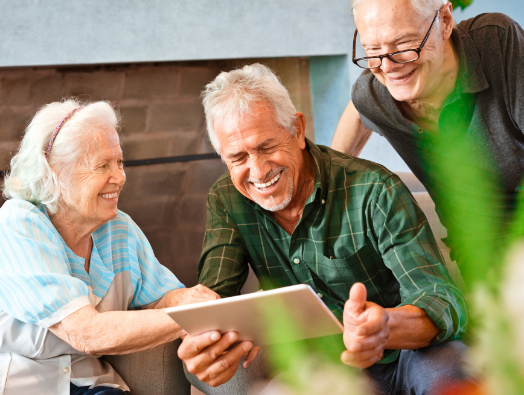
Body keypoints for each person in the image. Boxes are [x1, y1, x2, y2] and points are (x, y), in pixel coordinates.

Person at [177, 64, 469, 394]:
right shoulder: (227, 200)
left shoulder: (375, 189)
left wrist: (384, 326)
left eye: (267, 147)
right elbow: (215, 300)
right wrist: (207, 344)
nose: (258, 171)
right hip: (331, 367)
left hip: (412, 354)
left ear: (298, 130)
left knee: (452, 371)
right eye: (238, 157)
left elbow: (442, 298)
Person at [0, 100, 219, 395]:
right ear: (55, 172)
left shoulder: (118, 228)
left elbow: (162, 296)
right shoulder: (19, 225)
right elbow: (86, 334)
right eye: (102, 165)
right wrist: (188, 317)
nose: (120, 178)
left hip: (82, 383)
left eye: (119, 162)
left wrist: (192, 301)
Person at [331, 0, 524, 263]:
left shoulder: (497, 42)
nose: (387, 67)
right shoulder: (377, 93)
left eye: (403, 45)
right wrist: (328, 190)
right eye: (372, 49)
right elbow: (358, 106)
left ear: (444, 20)